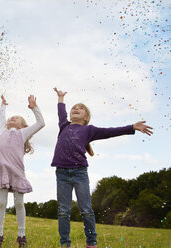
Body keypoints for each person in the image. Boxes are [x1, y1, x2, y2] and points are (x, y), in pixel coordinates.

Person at [52, 87, 153, 248]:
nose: (76, 109)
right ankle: (65, 243)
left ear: (86, 118)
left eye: (81, 108)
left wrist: (132, 127)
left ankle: (91, 243)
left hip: (79, 174)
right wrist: (61, 99)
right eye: (74, 108)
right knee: (64, 211)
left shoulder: (89, 130)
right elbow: (61, 112)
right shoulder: (64, 125)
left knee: (86, 209)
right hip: (62, 174)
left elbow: (109, 132)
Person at [0, 95, 45, 248]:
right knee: (1, 203)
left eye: (16, 118)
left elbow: (41, 123)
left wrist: (34, 107)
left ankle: (21, 235)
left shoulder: (22, 134)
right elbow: (1, 119)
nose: (12, 118)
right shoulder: (1, 131)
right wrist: (3, 106)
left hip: (17, 173)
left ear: (23, 126)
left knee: (19, 203)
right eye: (11, 117)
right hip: (2, 172)